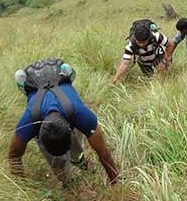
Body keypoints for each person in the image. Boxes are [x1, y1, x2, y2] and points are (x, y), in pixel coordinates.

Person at [8, 59, 118, 187]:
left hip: (67, 107)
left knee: (76, 151)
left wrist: (115, 184)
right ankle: (68, 183)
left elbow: (103, 152)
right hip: (43, 105)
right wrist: (23, 193)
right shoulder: (31, 119)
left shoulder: (80, 113)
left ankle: (79, 161)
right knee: (57, 163)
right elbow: (13, 156)